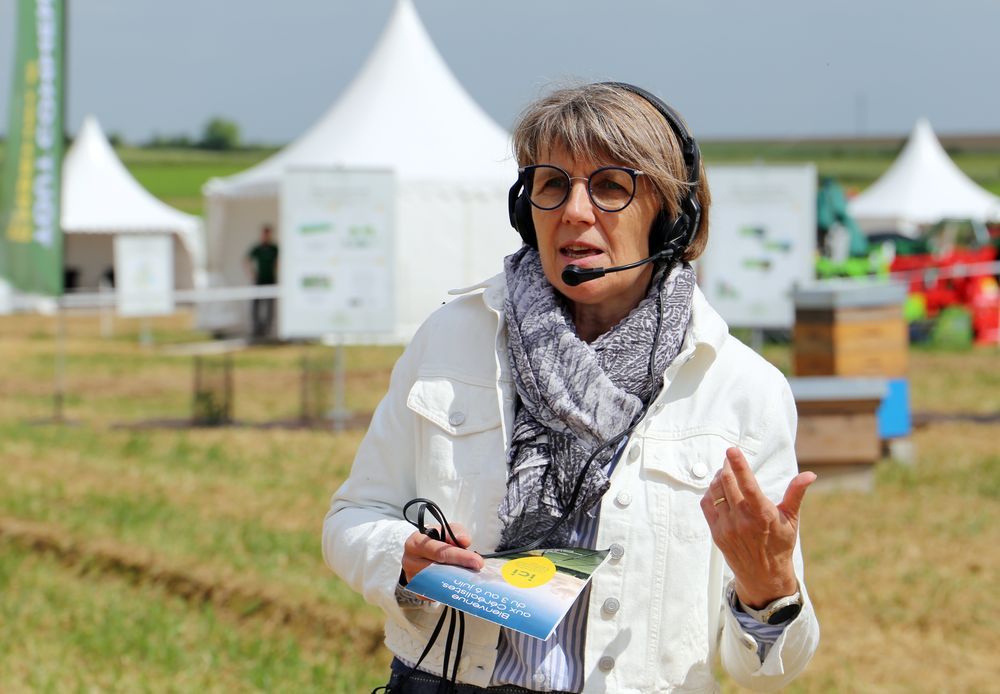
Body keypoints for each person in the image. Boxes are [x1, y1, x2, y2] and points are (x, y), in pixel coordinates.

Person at [323, 82, 819, 692]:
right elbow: (353, 516)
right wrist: (400, 555)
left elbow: (772, 671)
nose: (574, 211)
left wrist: (767, 589)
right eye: (552, 184)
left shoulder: (742, 389)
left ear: (670, 214)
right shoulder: (451, 339)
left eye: (611, 186)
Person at [245, 224, 278, 338]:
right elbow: (247, 259)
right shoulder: (258, 248)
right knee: (256, 306)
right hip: (259, 280)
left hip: (270, 280)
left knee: (269, 307)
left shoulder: (274, 248)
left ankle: (267, 330)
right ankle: (256, 329)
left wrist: (276, 269)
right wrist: (251, 273)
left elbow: (278, 261)